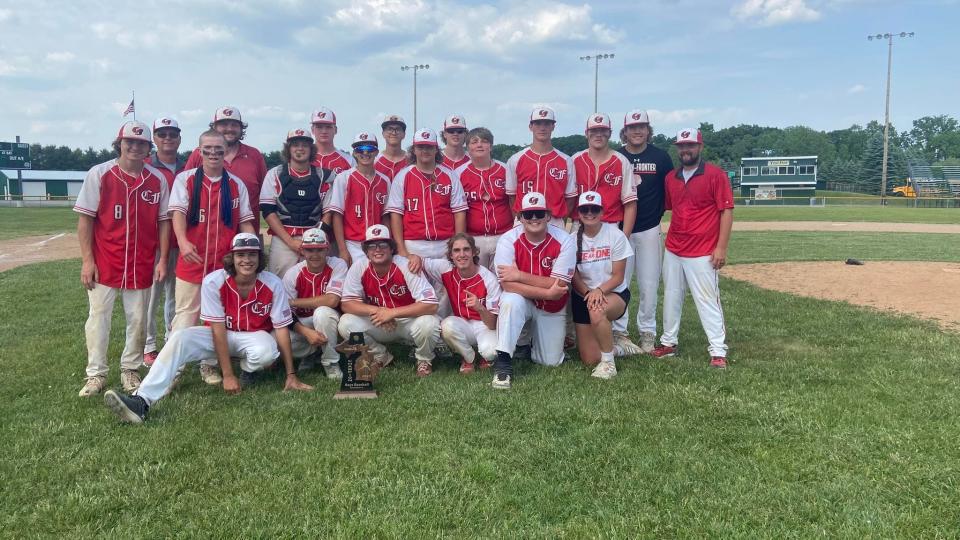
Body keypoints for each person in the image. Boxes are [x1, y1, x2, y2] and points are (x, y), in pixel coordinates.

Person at [102, 233, 314, 424]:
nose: (247, 260)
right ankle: (142, 400)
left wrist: (291, 374)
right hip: (220, 336)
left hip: (253, 336)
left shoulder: (272, 283)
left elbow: (282, 328)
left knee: (267, 350)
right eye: (241, 254)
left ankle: (249, 370)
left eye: (252, 254)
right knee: (180, 338)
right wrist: (228, 375)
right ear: (232, 257)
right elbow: (217, 330)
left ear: (260, 258)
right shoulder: (214, 281)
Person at [75, 120, 171, 397]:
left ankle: (130, 368)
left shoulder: (157, 179)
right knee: (98, 318)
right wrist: (87, 261)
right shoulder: (100, 174)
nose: (135, 146)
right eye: (130, 141)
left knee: (138, 319)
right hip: (105, 261)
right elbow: (85, 221)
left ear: (148, 148)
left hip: (141, 262)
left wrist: (163, 259)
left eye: (141, 143)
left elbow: (164, 222)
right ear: (120, 144)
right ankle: (96, 374)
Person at [169, 130, 256, 384]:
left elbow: (246, 221)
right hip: (192, 260)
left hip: (222, 263)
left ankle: (208, 364)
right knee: (185, 316)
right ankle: (173, 368)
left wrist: (251, 248)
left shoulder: (235, 184)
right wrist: (183, 242)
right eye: (207, 149)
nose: (213, 153)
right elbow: (178, 214)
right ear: (199, 151)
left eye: (218, 149)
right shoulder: (186, 179)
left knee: (215, 318)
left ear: (225, 150)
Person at [650, 129, 734, 368]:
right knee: (672, 296)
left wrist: (721, 248)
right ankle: (668, 342)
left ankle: (718, 350)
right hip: (675, 247)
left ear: (700, 147)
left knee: (707, 299)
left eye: (690, 146)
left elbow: (726, 211)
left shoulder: (715, 175)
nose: (685, 150)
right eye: (681, 146)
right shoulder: (671, 178)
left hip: (703, 250)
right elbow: (669, 207)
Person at [571, 113, 642, 357]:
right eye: (594, 131)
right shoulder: (576, 160)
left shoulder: (621, 161)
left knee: (616, 281)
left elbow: (630, 203)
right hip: (582, 225)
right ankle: (584, 332)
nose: (598, 134)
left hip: (612, 226)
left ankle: (620, 335)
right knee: (581, 276)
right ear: (587, 134)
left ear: (610, 133)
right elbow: (570, 199)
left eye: (603, 131)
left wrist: (625, 234)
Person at [491, 192, 575, 389]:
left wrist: (519, 275)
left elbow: (559, 284)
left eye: (539, 213)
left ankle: (526, 345)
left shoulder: (565, 240)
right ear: (520, 218)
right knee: (510, 300)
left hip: (552, 306)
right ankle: (503, 363)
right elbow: (507, 285)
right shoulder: (507, 239)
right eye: (528, 215)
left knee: (550, 361)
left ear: (548, 215)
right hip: (526, 300)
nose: (534, 218)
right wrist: (546, 291)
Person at [338, 225, 441, 377]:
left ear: (392, 248)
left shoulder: (406, 265)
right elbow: (347, 304)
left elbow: (431, 305)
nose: (377, 250)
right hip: (380, 321)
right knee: (346, 323)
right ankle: (380, 356)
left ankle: (424, 359)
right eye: (372, 246)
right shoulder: (359, 267)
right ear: (366, 251)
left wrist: (392, 313)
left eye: (383, 245)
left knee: (429, 323)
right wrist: (378, 311)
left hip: (408, 321)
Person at [618, 109, 674, 354]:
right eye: (632, 127)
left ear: (648, 130)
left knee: (649, 283)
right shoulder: (617, 157)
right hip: (621, 230)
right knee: (620, 281)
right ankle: (619, 331)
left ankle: (647, 332)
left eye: (641, 127)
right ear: (625, 131)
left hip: (650, 227)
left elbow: (669, 191)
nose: (637, 131)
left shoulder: (661, 157)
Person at [570, 192, 633, 380]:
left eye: (594, 209)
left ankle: (608, 363)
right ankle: (619, 349)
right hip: (584, 295)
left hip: (613, 293)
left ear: (602, 212)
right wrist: (589, 293)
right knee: (589, 359)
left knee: (597, 310)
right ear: (578, 213)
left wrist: (598, 291)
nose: (590, 213)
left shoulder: (615, 235)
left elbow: (619, 276)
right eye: (585, 209)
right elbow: (574, 276)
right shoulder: (572, 239)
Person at [386, 128, 467, 273]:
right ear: (414, 149)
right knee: (417, 292)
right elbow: (396, 215)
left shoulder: (450, 175)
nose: (425, 150)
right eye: (420, 146)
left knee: (446, 292)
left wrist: (458, 243)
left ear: (436, 149)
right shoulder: (403, 176)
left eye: (429, 147)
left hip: (445, 243)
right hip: (414, 244)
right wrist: (402, 249)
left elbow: (459, 212)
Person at [258, 128, 336, 278]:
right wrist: (290, 242)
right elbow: (268, 211)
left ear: (311, 149)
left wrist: (315, 237)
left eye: (304, 145)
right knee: (280, 283)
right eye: (295, 145)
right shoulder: (275, 173)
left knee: (316, 281)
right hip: (284, 238)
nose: (300, 149)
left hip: (315, 237)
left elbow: (329, 212)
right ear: (288, 149)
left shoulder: (325, 176)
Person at [421, 233, 501, 373]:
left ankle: (486, 356)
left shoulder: (489, 279)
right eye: (456, 250)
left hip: (485, 326)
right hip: (463, 323)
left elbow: (493, 324)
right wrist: (413, 258)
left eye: (466, 249)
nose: (461, 254)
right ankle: (469, 357)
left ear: (474, 252)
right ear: (451, 255)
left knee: (490, 352)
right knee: (446, 326)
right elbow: (419, 262)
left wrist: (480, 308)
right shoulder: (446, 269)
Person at [143, 116, 185, 366]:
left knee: (176, 295)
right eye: (162, 134)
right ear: (154, 139)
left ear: (179, 138)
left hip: (181, 243)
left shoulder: (188, 166)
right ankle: (149, 344)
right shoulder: (145, 165)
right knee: (151, 296)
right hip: (154, 244)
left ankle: (171, 339)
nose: (167, 138)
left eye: (172, 134)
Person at [184, 106, 267, 233]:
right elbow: (186, 190)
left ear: (241, 128)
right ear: (214, 128)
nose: (229, 129)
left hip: (246, 234)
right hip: (204, 235)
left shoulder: (254, 155)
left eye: (234, 125)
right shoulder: (198, 154)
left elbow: (264, 195)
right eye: (224, 124)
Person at [282, 228, 348, 379]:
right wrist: (305, 332)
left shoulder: (338, 265)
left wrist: (293, 301)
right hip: (304, 324)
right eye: (310, 250)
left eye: (319, 249)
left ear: (327, 249)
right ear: (303, 251)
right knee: (277, 343)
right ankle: (313, 352)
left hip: (332, 321)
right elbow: (286, 312)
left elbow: (332, 300)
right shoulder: (292, 273)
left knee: (322, 312)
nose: (315, 255)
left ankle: (330, 362)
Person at [325, 132, 392, 266]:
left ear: (376, 152)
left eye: (370, 149)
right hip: (352, 244)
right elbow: (337, 216)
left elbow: (386, 216)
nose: (365, 153)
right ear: (354, 152)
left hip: (378, 243)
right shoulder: (343, 178)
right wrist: (343, 250)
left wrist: (389, 243)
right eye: (360, 149)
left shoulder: (385, 180)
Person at [505, 106, 577, 228]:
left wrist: (560, 219)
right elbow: (511, 196)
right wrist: (520, 218)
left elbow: (570, 198)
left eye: (547, 123)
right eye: (538, 123)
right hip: (525, 219)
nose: (542, 128)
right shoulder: (515, 159)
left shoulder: (566, 160)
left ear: (553, 126)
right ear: (530, 126)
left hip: (554, 220)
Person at [455, 127, 512, 270]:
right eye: (474, 142)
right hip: (474, 237)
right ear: (467, 147)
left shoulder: (505, 170)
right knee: (477, 280)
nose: (479, 145)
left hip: (503, 235)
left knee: (503, 280)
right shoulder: (458, 173)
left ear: (491, 146)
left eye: (484, 141)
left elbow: (513, 203)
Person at [310, 107, 355, 176]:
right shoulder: (303, 159)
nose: (324, 131)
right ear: (312, 130)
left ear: (335, 130)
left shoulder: (349, 160)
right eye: (319, 127)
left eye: (328, 127)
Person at [375, 114, 409, 181]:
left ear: (404, 134)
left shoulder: (412, 161)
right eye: (389, 129)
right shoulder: (374, 161)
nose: (394, 133)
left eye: (398, 129)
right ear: (383, 133)